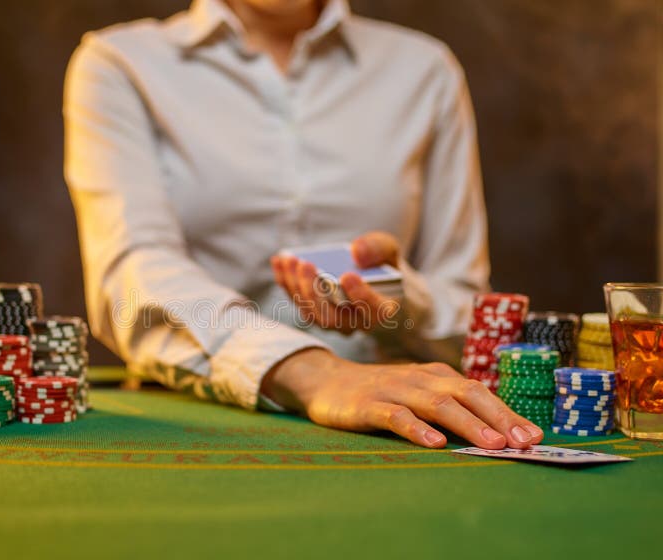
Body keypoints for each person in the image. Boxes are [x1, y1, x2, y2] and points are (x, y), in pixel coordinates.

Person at [63, 0, 544, 450]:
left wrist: (399, 302)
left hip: (389, 424)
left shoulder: (425, 69)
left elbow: (470, 314)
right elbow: (130, 276)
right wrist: (316, 373)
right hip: (190, 420)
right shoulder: (119, 63)